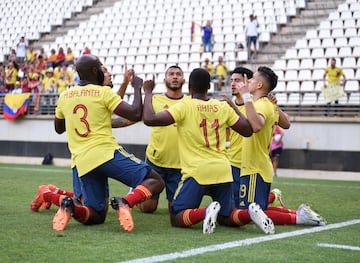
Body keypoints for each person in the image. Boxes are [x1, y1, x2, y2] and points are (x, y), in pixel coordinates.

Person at [30, 54, 164, 232]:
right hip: (105, 154)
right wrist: (139, 87)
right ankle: (126, 202)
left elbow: (59, 128)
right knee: (155, 180)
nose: (105, 71)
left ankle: (66, 205)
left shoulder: (65, 96)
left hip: (81, 161)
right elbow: (134, 113)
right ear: (95, 71)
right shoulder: (103, 93)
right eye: (102, 68)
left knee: (96, 214)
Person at [143, 68, 275, 235]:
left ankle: (205, 212)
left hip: (198, 171)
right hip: (222, 169)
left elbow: (150, 119)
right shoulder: (221, 107)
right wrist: (233, 108)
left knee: (176, 216)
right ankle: (248, 213)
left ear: (189, 88)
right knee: (227, 216)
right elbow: (248, 130)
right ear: (209, 87)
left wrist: (147, 92)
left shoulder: (184, 106)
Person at [231, 67, 326, 226]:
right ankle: (296, 213)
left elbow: (256, 126)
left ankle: (297, 217)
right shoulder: (265, 103)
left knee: (252, 214)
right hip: (258, 165)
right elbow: (286, 123)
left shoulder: (260, 104)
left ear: (260, 85)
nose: (249, 82)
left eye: (252, 79)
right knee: (255, 210)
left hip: (255, 167)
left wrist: (246, 96)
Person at [135, 65, 188, 213]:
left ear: (184, 79)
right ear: (165, 80)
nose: (175, 76)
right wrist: (147, 92)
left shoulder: (190, 102)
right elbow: (144, 117)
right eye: (171, 74)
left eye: (178, 74)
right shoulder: (155, 99)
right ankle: (135, 189)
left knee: (176, 210)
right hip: (156, 160)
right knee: (148, 208)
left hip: (180, 164)